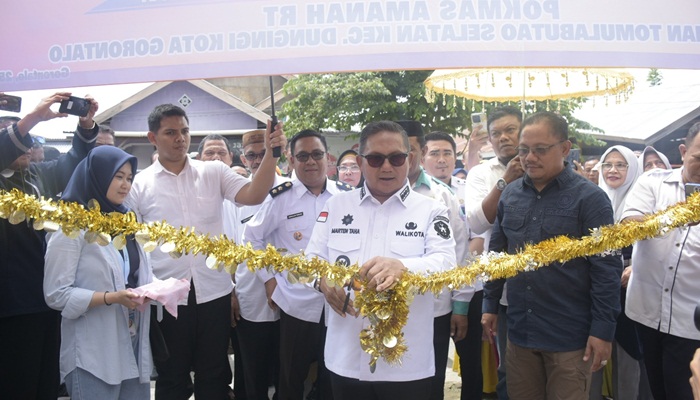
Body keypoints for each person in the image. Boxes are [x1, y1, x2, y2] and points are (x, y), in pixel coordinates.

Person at [125, 104, 286, 399]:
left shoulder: (214, 171)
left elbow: (254, 194)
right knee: (172, 376)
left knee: (214, 375)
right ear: (152, 137)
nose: (180, 139)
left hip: (215, 292)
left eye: (185, 131)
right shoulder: (139, 184)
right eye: (170, 132)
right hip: (166, 297)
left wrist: (270, 153)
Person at [306, 121, 456, 400]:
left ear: (409, 159)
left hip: (406, 363)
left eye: (396, 158)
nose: (387, 167)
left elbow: (447, 263)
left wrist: (404, 267)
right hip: (345, 357)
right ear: (361, 162)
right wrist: (322, 282)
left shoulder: (431, 210)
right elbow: (311, 261)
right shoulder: (336, 207)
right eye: (376, 159)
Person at [483, 111, 621, 399]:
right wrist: (490, 303)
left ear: (565, 148)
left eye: (540, 150)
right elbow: (497, 254)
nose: (529, 158)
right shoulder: (510, 195)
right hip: (521, 332)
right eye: (524, 150)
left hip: (570, 337)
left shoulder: (591, 199)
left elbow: (606, 270)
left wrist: (603, 331)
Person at [0, 92, 99, 400]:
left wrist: (86, 124)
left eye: (31, 138)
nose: (29, 144)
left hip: (45, 299)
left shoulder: (36, 175)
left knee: (45, 385)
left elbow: (72, 164)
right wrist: (31, 118)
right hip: (10, 304)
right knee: (16, 384)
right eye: (20, 137)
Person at [245, 129, 351, 400]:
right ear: (291, 161)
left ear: (328, 158)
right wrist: (268, 279)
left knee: (335, 376)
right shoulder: (280, 197)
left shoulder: (345, 197)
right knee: (291, 378)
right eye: (302, 156)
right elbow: (252, 238)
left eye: (316, 154)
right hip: (297, 303)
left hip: (338, 303)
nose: (311, 162)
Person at [43, 146, 152, 399]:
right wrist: (110, 297)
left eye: (129, 178)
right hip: (92, 353)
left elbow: (134, 273)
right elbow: (56, 294)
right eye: (118, 176)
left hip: (132, 343)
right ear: (97, 175)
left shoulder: (127, 222)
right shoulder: (71, 227)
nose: (126, 185)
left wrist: (157, 288)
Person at [620, 121, 700, 399]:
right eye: (698, 158)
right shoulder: (653, 182)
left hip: (691, 323)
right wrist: (675, 218)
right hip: (646, 312)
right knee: (656, 388)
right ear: (683, 151)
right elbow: (629, 223)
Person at [400, 122, 475, 400]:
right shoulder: (373, 194)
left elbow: (461, 253)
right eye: (398, 151)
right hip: (387, 308)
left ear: (421, 153)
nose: (403, 159)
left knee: (430, 383)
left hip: (434, 309)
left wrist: (460, 306)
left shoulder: (441, 195)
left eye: (411, 151)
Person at [467, 106, 524, 400]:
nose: (503, 138)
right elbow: (477, 222)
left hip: (550, 287)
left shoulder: (548, 166)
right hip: (502, 289)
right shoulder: (480, 173)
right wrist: (506, 181)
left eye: (510, 130)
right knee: (509, 368)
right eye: (496, 133)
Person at [590, 145, 649, 400]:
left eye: (621, 165)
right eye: (607, 165)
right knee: (592, 359)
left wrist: (635, 266)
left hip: (630, 291)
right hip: (594, 290)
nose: (613, 170)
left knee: (628, 360)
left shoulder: (642, 201)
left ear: (632, 168)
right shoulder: (591, 199)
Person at [197, 133, 244, 400]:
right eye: (209, 153)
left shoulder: (245, 195)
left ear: (230, 159)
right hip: (208, 292)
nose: (216, 159)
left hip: (244, 290)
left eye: (221, 153)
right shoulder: (192, 196)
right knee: (212, 362)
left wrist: (235, 290)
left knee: (245, 359)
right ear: (199, 159)